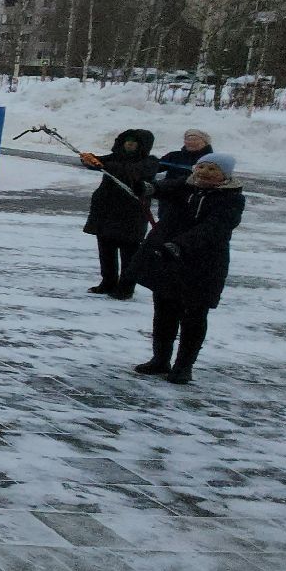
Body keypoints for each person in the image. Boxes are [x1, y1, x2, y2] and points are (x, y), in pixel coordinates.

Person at [132, 152, 243, 384]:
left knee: (193, 316)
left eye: (213, 169)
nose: (204, 172)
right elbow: (162, 188)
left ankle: (184, 367)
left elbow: (213, 229)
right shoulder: (186, 185)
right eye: (201, 167)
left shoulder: (232, 199)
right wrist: (148, 188)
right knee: (164, 311)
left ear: (224, 175)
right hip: (169, 258)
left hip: (203, 265)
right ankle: (160, 359)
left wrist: (181, 245)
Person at [79, 129, 158, 300]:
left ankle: (126, 287)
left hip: (131, 213)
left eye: (134, 142)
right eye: (127, 141)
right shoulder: (113, 157)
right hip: (106, 210)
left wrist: (103, 165)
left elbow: (131, 172)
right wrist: (88, 158)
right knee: (106, 249)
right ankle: (108, 282)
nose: (129, 144)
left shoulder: (149, 162)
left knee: (129, 252)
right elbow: (98, 162)